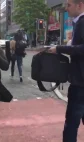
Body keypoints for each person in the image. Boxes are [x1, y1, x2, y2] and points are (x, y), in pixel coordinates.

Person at [48, 0, 84, 141]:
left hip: (80, 83)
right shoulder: (78, 23)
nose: (66, 8)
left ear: (79, 4)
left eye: (69, 5)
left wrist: (59, 48)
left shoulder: (82, 22)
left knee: (71, 124)